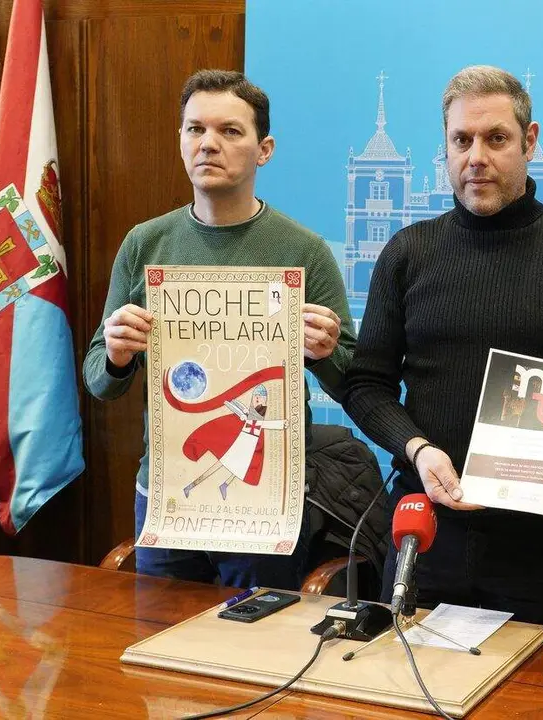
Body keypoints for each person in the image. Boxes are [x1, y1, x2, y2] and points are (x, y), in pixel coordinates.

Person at [342, 65, 543, 635]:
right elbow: (365, 385)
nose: (476, 156)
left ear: (529, 140)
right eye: (461, 140)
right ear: (445, 148)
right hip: (422, 533)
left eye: (496, 139)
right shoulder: (407, 253)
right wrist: (418, 447)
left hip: (538, 547)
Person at [83, 69, 356, 590]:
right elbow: (98, 379)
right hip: (167, 494)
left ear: (264, 149)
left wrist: (323, 353)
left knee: (253, 651)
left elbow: (350, 377)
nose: (208, 143)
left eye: (230, 131)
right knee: (159, 648)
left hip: (266, 498)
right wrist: (117, 354)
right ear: (180, 140)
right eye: (194, 129)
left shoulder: (303, 252)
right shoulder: (145, 244)